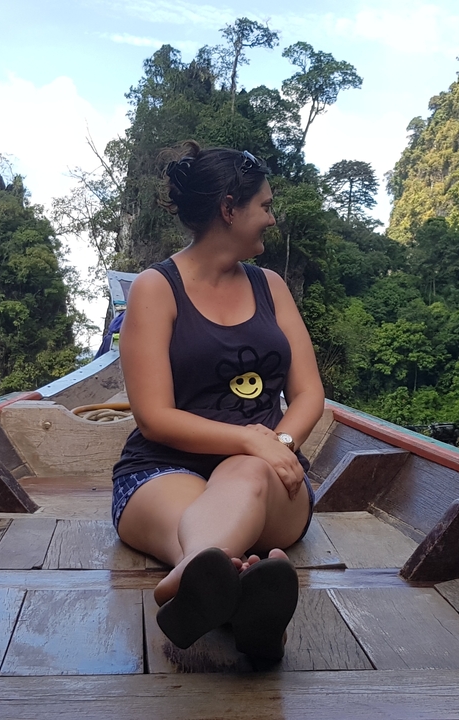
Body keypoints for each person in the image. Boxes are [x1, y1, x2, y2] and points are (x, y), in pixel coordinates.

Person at [110, 141, 325, 661]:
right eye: (265, 206)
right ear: (229, 209)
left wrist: (280, 444)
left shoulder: (271, 286)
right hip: (160, 471)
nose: (272, 220)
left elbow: (308, 392)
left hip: (269, 478)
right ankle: (246, 612)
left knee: (244, 477)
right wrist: (252, 439)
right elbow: (154, 417)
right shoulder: (156, 290)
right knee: (210, 535)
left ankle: (183, 584)